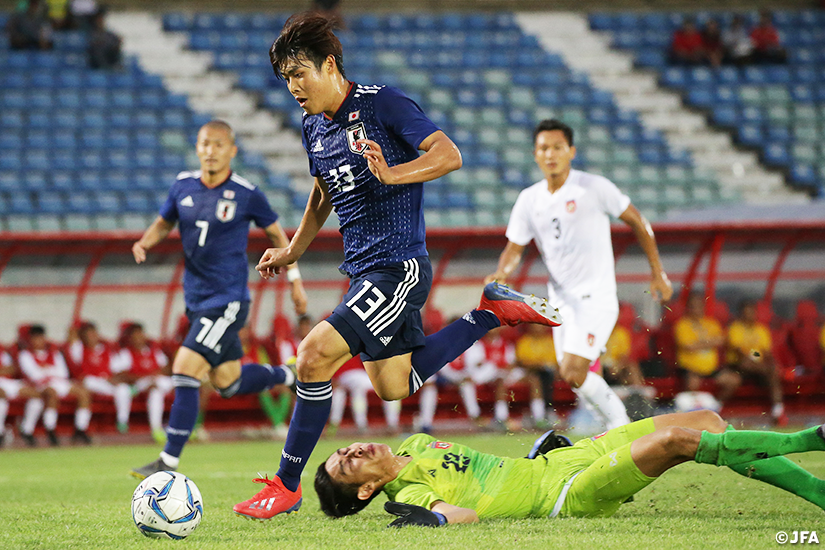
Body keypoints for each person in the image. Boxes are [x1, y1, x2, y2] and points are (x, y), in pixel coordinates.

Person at [235, 12, 561, 520]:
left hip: (397, 267)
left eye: (299, 73)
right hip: (362, 271)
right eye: (285, 78)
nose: (293, 86)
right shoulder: (312, 125)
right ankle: (491, 313)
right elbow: (323, 189)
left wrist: (393, 174)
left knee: (313, 356)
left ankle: (286, 483)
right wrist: (295, 249)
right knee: (393, 386)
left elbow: (448, 154)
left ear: (329, 65)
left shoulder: (381, 103)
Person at [130, 119, 308, 479]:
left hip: (228, 301)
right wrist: (145, 242)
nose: (210, 151)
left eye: (218, 145)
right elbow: (164, 222)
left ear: (232, 151)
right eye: (205, 144)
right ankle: (288, 374)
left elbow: (279, 235)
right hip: (196, 301)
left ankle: (168, 462)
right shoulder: (182, 185)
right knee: (228, 382)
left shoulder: (246, 192)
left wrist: (294, 280)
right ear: (197, 148)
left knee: (185, 368)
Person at [485, 119, 672, 433]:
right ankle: (614, 429)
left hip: (596, 298)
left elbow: (639, 222)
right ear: (535, 154)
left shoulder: (594, 187)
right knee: (573, 376)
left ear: (571, 151)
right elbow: (514, 248)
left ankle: (623, 428)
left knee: (573, 370)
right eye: (544, 148)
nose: (550, 154)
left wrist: (658, 272)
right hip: (561, 304)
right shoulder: (529, 199)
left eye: (557, 147)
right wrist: (502, 272)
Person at [315, 410, 825, 523]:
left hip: (565, 459)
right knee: (675, 441)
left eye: (344, 450)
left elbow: (483, 474)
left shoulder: (417, 441)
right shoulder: (407, 493)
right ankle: (808, 438)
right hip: (567, 493)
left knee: (708, 421)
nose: (352, 451)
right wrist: (434, 519)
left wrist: (530, 460)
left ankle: (818, 493)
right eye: (347, 465)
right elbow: (462, 514)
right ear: (365, 492)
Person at [17, 325, 92, 446]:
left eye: (40, 338)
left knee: (84, 392)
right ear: (30, 340)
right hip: (39, 385)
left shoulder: (54, 353)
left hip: (58, 382)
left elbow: (63, 373)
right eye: (35, 338)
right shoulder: (25, 354)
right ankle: (50, 429)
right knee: (51, 393)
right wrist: (50, 371)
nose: (38, 341)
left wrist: (45, 370)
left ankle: (80, 428)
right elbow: (34, 375)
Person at [726, 300, 787, 426]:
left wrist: (772, 363)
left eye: (752, 312)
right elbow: (739, 351)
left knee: (773, 372)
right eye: (747, 312)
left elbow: (766, 352)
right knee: (747, 363)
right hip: (739, 366)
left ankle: (778, 411)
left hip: (758, 367)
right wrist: (756, 356)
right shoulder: (735, 328)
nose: (749, 315)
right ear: (741, 313)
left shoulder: (761, 329)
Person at [67, 321, 133, 434]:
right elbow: (72, 337)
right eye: (88, 335)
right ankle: (81, 429)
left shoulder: (106, 350)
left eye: (94, 334)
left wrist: (114, 379)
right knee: (88, 381)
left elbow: (119, 370)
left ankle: (122, 422)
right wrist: (77, 324)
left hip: (106, 383)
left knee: (123, 389)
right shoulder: (80, 349)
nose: (92, 337)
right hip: (91, 383)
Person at [674, 292, 739, 405]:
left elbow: (721, 340)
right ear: (688, 308)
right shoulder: (682, 325)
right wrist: (710, 342)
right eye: (693, 306)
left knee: (733, 380)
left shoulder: (712, 323)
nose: (696, 309)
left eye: (699, 306)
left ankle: (716, 406)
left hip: (711, 369)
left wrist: (699, 343)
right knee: (693, 384)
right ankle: (690, 411)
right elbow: (688, 346)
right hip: (690, 368)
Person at [114, 322, 174, 443]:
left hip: (156, 382)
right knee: (152, 386)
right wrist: (145, 377)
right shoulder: (126, 353)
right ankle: (153, 428)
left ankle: (158, 429)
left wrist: (156, 373)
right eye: (136, 335)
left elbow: (167, 367)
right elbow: (121, 375)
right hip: (138, 384)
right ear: (130, 338)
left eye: (141, 334)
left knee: (158, 390)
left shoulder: (154, 351)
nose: (139, 337)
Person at [328, 355, 401, 436]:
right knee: (356, 388)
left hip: (362, 374)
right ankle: (361, 425)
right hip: (345, 376)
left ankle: (392, 424)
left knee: (390, 387)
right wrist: (333, 379)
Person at [0, 345, 44, 448]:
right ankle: (1, 432)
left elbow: (12, 369)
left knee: (36, 395)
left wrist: (4, 371)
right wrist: (3, 370)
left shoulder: (2, 352)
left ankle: (27, 430)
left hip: (8, 382)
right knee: (1, 396)